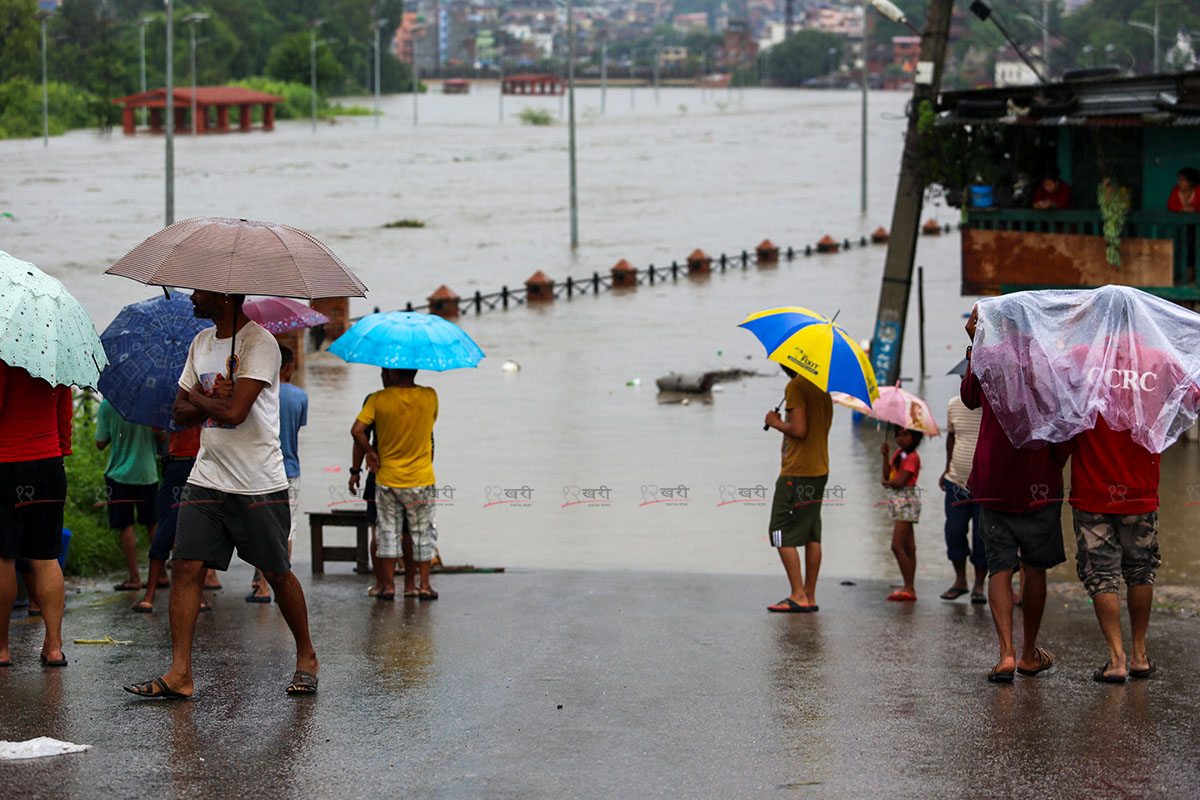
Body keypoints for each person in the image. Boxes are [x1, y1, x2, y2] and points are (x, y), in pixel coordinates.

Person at [124, 290, 318, 699]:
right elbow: (178, 412)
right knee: (186, 566)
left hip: (257, 481)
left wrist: (206, 400)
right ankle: (180, 673)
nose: (193, 296)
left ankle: (307, 656)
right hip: (207, 474)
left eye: (200, 291)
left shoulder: (259, 344)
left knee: (277, 572)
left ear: (224, 297)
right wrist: (209, 398)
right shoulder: (201, 343)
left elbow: (235, 413)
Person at [961, 306, 1068, 683]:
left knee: (1000, 569)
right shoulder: (1050, 360)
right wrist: (1055, 465)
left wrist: (974, 344)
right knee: (1035, 569)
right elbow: (1066, 420)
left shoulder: (990, 356)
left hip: (994, 480)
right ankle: (1028, 653)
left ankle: (1005, 653)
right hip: (1039, 479)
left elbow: (970, 399)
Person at [1069, 417, 1161, 683]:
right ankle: (1140, 655)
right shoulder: (1155, 374)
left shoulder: (1080, 374)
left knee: (1101, 573)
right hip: (1140, 484)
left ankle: (1117, 658)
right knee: (1141, 570)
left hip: (1092, 485)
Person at [0, 359, 71, 668]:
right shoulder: (57, 356)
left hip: (7, 462)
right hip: (50, 465)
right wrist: (60, 451)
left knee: (4, 556)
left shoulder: (4, 356)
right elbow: (63, 412)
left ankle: (1, 649)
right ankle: (54, 647)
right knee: (46, 555)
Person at [351, 368, 439, 601]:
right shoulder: (431, 396)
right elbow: (429, 432)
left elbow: (357, 431)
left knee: (386, 533)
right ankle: (423, 586)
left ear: (391, 373)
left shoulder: (377, 399)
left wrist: (370, 452)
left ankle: (388, 587)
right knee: (421, 534)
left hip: (387, 478)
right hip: (421, 478)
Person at [763, 365, 833, 614]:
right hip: (819, 468)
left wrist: (776, 422)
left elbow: (800, 430)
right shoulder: (822, 387)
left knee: (779, 530)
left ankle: (797, 594)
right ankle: (809, 595)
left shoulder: (796, 387)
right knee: (812, 532)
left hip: (798, 472)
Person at [132, 425, 215, 614]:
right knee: (198, 531)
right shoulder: (206, 397)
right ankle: (198, 597)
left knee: (166, 528)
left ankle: (149, 597)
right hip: (201, 464)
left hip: (178, 465)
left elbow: (158, 432)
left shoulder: (174, 401)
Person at [248, 345, 307, 603]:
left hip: (262, 468)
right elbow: (295, 432)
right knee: (287, 531)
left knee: (262, 529)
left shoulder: (259, 394)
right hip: (291, 469)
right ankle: (282, 587)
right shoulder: (300, 396)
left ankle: (261, 587)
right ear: (289, 367)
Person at [95, 398, 159, 592]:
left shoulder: (108, 404)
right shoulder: (150, 402)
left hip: (119, 474)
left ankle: (134, 578)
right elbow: (162, 436)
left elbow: (100, 442)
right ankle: (161, 574)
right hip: (147, 473)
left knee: (125, 526)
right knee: (152, 524)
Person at [939, 395, 988, 604]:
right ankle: (960, 580)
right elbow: (951, 437)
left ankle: (979, 584)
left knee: (982, 535)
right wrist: (946, 467)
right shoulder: (953, 404)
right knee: (954, 530)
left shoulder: (991, 405)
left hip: (985, 484)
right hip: (956, 481)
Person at [882, 427, 923, 602]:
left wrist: (887, 482)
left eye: (905, 435)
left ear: (915, 437)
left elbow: (900, 481)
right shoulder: (898, 454)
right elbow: (888, 474)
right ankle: (909, 585)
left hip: (905, 502)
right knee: (909, 547)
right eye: (898, 434)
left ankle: (908, 586)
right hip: (898, 502)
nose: (900, 438)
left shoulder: (913, 457)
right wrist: (885, 455)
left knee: (897, 546)